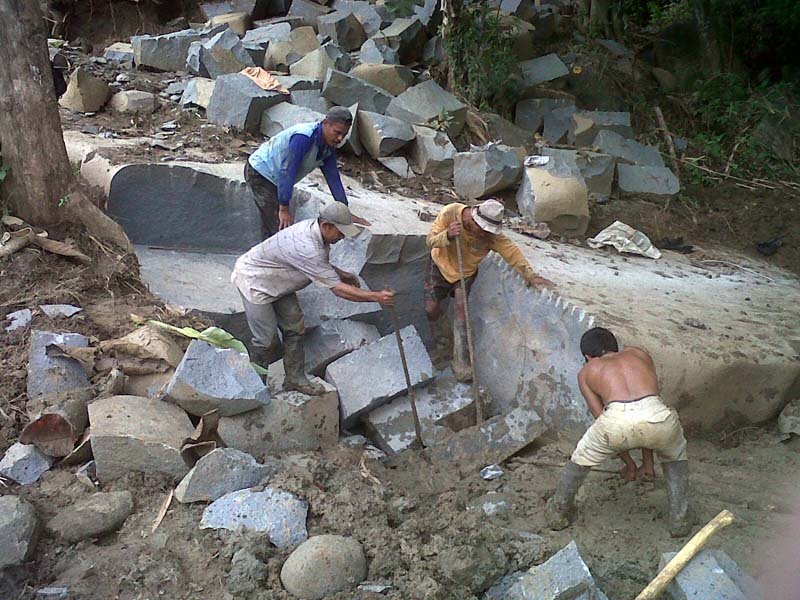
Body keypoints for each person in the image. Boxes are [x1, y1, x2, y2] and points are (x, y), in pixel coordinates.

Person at [231, 202, 394, 395]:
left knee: (295, 327)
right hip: (255, 280)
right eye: (340, 232)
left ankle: (294, 379)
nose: (342, 237)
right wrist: (376, 297)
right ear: (326, 226)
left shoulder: (316, 232)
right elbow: (339, 290)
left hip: (279, 280)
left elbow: (319, 265)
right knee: (266, 340)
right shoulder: (307, 246)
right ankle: (254, 386)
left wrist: (341, 273)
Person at [545, 327, 691, 537]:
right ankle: (680, 520)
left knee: (581, 456)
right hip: (658, 417)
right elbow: (647, 409)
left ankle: (557, 512)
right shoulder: (639, 354)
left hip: (616, 423)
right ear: (616, 346)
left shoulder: (587, 371)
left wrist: (629, 464)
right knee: (675, 455)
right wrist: (647, 464)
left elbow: (603, 420)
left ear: (588, 356)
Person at [424, 198, 554, 380]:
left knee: (461, 312)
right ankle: (444, 347)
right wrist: (447, 235)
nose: (485, 233)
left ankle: (461, 364)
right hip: (440, 265)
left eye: (489, 230)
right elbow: (430, 241)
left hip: (465, 273)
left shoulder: (491, 236)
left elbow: (511, 252)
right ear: (475, 219)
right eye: (483, 228)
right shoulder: (451, 213)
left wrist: (529, 274)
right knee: (431, 308)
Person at [244, 106, 368, 239]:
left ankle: (263, 256)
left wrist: (345, 212)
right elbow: (287, 170)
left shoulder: (328, 147)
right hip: (260, 172)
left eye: (343, 135)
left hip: (276, 179)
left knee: (273, 227)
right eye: (337, 132)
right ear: (325, 123)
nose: (340, 138)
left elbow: (334, 179)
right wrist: (284, 208)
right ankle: (268, 257)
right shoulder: (304, 137)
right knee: (280, 228)